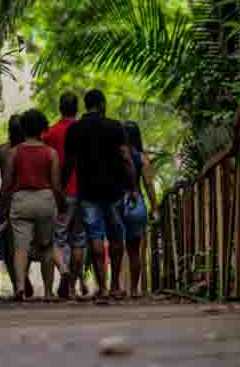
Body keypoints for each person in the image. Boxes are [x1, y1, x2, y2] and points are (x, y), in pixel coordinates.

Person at [63, 89, 138, 298]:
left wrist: (60, 190)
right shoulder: (115, 126)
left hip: (87, 192)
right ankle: (114, 285)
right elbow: (126, 157)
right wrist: (133, 188)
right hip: (114, 191)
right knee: (116, 235)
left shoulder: (75, 130)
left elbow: (68, 163)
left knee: (95, 236)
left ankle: (103, 288)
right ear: (103, 104)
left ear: (86, 106)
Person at [2, 109, 66, 300]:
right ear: (43, 128)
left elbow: (6, 184)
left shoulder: (14, 152)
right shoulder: (51, 153)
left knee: (20, 247)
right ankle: (47, 292)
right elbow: (56, 184)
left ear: (23, 128)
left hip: (21, 201)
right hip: (45, 200)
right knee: (46, 246)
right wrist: (61, 204)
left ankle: (20, 287)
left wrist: (4, 206)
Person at [42, 92, 87, 299]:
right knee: (78, 241)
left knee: (58, 240)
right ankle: (71, 287)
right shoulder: (85, 131)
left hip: (61, 192)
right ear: (77, 108)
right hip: (84, 191)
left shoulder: (49, 134)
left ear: (60, 108)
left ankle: (64, 273)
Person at [0, 115, 34, 298]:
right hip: (25, 199)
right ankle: (22, 278)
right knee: (23, 242)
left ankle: (17, 284)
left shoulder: (1, 151)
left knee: (7, 246)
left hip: (5, 204)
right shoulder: (30, 150)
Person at [122, 121, 158, 297]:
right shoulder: (142, 158)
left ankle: (113, 287)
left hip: (116, 203)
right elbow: (149, 185)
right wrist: (155, 208)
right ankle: (135, 290)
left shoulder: (116, 156)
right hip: (136, 204)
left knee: (115, 247)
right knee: (134, 251)